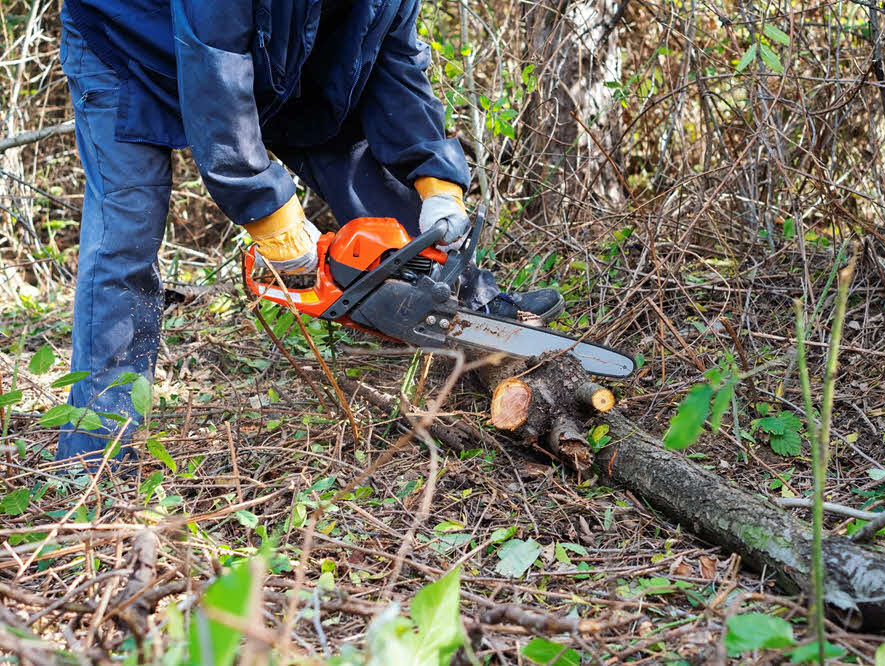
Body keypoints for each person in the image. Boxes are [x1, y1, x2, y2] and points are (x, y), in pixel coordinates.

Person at [57, 0, 564, 462]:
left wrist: (438, 183)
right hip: (130, 49)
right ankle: (93, 453)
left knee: (393, 213)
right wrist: (275, 223)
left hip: (282, 63)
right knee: (125, 238)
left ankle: (480, 315)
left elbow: (397, 65)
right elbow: (215, 74)